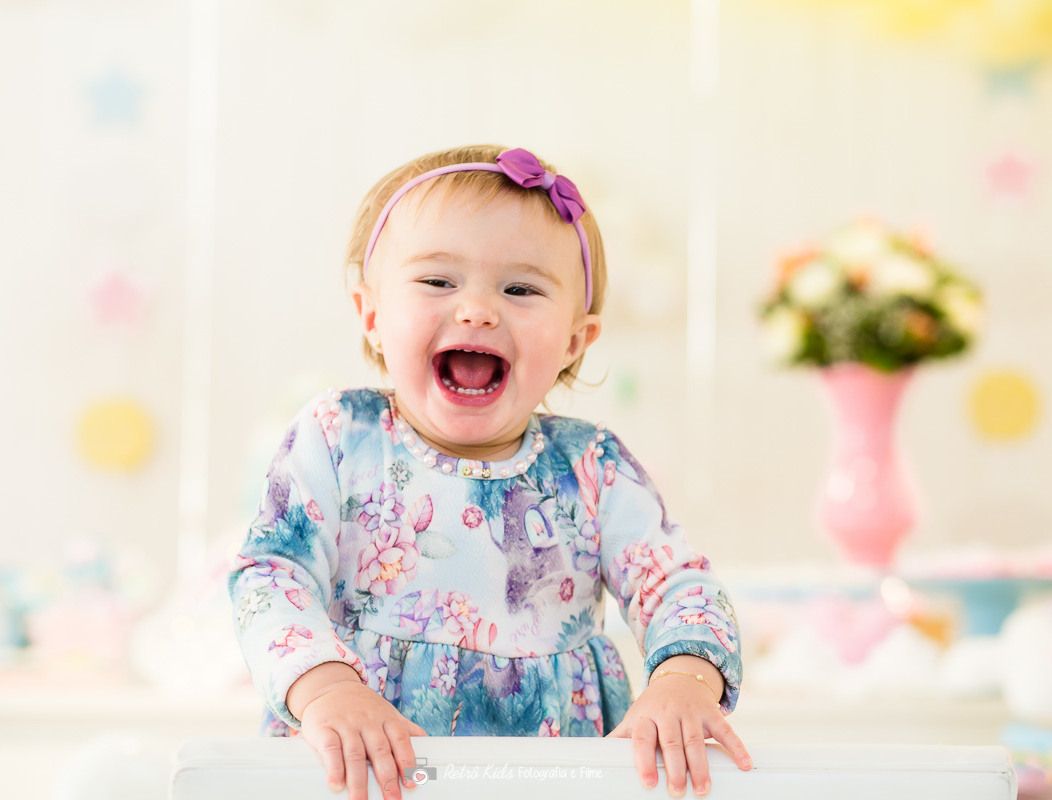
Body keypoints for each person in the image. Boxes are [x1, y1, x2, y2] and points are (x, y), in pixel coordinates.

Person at [229, 144, 752, 799]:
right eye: (438, 281)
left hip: (556, 777)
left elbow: (677, 583)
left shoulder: (591, 467)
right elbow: (271, 574)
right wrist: (324, 687)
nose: (477, 308)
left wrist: (683, 679)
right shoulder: (340, 439)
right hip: (366, 770)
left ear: (574, 340)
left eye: (521, 288)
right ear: (371, 312)